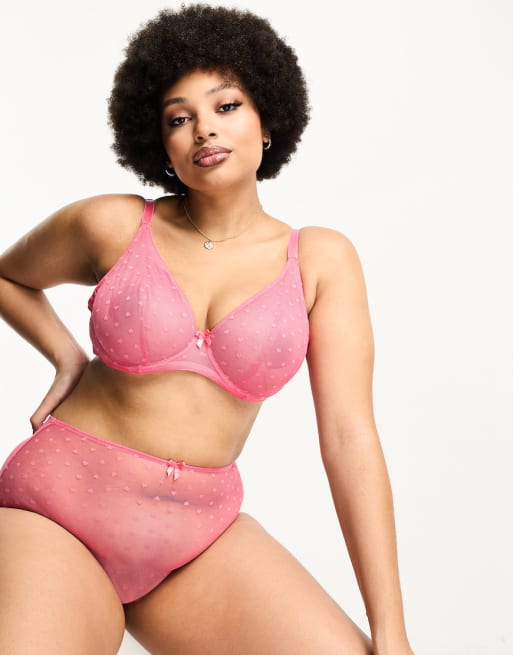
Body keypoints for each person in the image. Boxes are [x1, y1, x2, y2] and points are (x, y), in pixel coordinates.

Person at [0, 5, 414, 654]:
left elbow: (348, 436)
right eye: (178, 118)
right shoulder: (112, 224)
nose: (203, 129)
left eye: (226, 106)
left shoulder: (320, 260)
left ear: (268, 120)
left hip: (195, 542)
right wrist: (66, 356)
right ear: (159, 144)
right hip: (57, 515)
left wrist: (391, 630)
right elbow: (8, 276)